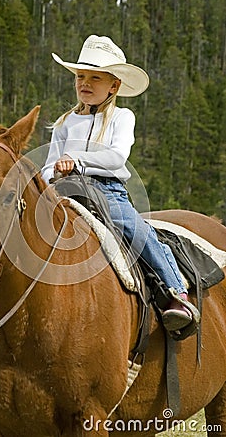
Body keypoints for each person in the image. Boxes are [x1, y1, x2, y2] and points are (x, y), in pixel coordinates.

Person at [42, 35, 194, 333]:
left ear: (114, 86)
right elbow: (48, 164)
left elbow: (117, 157)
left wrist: (77, 160)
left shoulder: (122, 117)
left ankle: (176, 293)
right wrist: (53, 175)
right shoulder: (65, 123)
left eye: (95, 78)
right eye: (80, 76)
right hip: (66, 190)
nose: (85, 83)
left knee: (137, 233)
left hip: (106, 191)